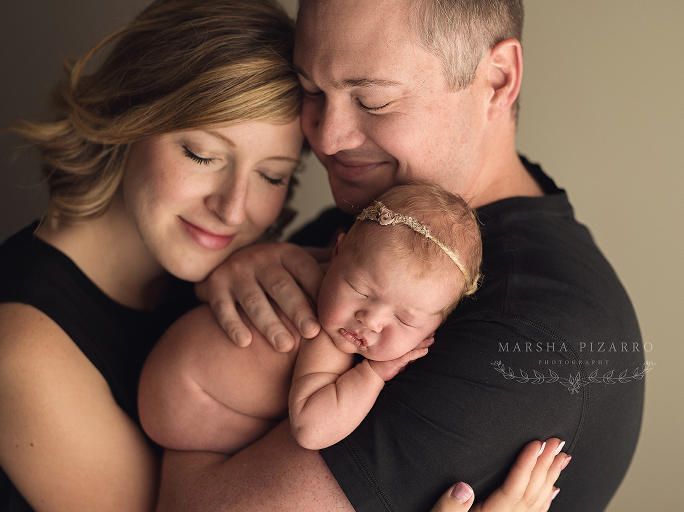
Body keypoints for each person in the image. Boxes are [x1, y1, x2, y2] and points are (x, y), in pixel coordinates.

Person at [0, 0, 565, 511]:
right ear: (131, 114)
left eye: (271, 175)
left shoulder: (230, 269)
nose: (233, 210)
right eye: (202, 155)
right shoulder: (18, 345)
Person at [188, 0, 645, 511]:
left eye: (374, 100)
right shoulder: (381, 219)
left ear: (496, 79)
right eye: (312, 90)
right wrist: (222, 273)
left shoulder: (528, 334)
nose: (325, 136)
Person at [138, 183, 482, 453]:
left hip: (171, 372)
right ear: (337, 251)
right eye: (360, 290)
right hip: (183, 405)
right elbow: (310, 430)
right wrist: (374, 374)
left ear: (436, 326)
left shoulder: (331, 273)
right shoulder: (326, 336)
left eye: (405, 320)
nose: (370, 320)